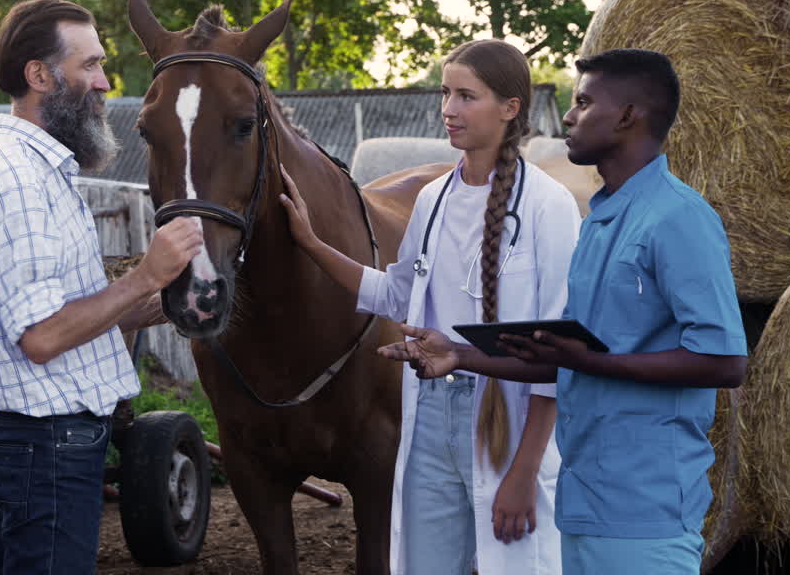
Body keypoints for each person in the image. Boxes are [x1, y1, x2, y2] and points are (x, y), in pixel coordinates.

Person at [379, 48, 748, 575]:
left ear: (626, 116)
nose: (569, 117)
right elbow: (565, 356)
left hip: (645, 511)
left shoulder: (678, 218)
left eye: (583, 102)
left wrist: (592, 363)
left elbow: (725, 361)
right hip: (582, 500)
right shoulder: (599, 223)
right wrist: (458, 355)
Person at [280, 39, 580, 574]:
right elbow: (395, 294)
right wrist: (310, 243)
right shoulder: (433, 199)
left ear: (510, 108)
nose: (448, 110)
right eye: (446, 93)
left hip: (509, 424)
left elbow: (557, 353)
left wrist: (524, 472)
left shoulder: (546, 205)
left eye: (467, 96)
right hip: (428, 418)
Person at [0, 0, 202, 575]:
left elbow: (68, 315)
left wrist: (157, 302)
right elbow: (41, 337)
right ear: (39, 75)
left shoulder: (43, 170)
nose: (105, 82)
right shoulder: (18, 182)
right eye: (89, 65)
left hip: (45, 442)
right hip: (45, 444)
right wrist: (146, 274)